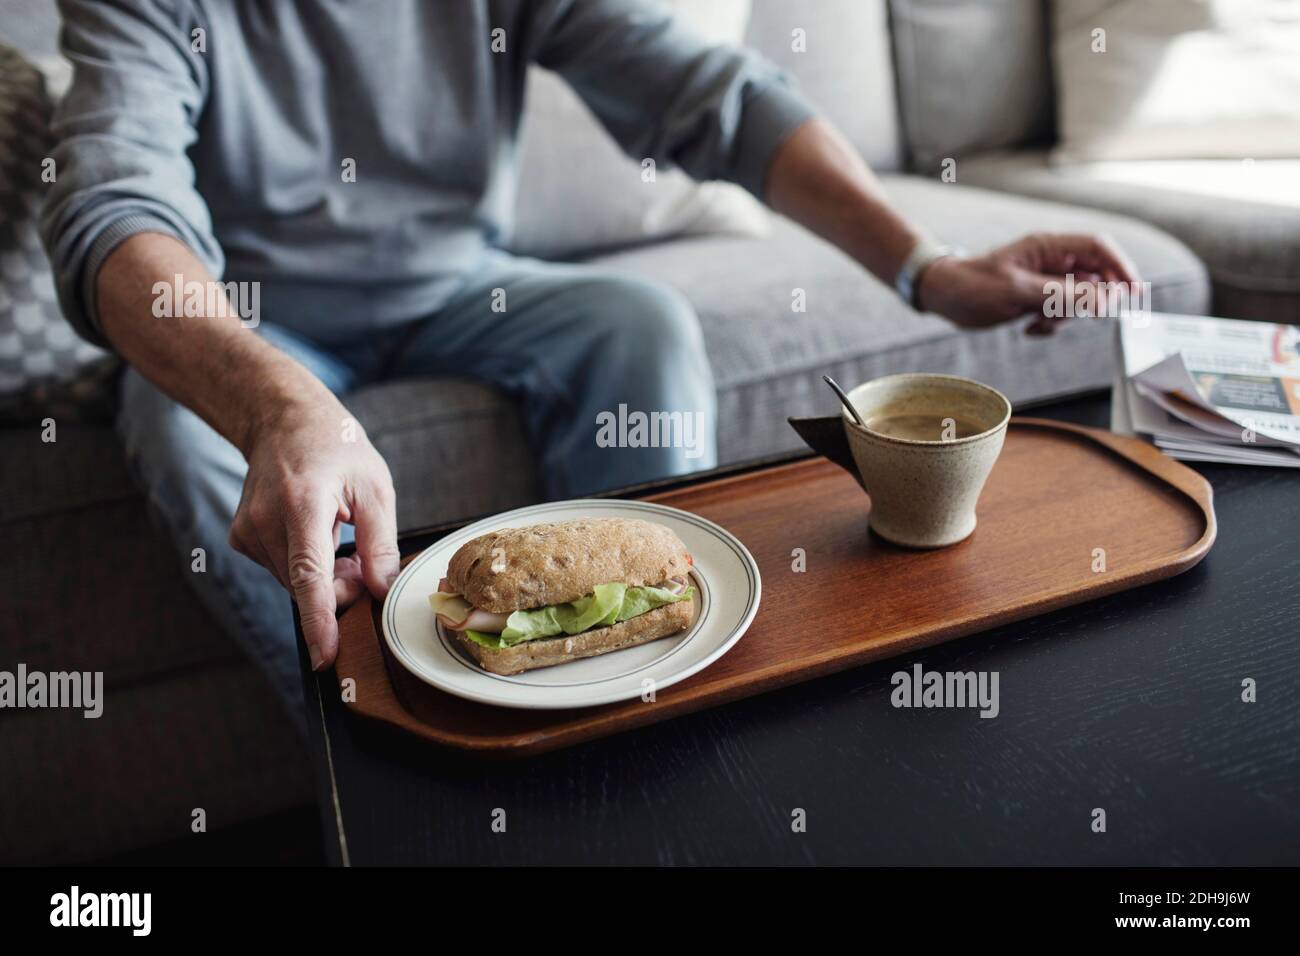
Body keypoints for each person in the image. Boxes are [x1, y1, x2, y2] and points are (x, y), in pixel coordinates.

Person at [41, 0, 1138, 732]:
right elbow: (107, 199)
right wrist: (275, 401)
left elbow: (714, 98)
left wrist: (927, 268)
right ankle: (373, 753)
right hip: (254, 316)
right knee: (176, 424)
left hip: (465, 283)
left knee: (639, 323)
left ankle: (643, 721)